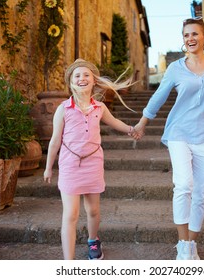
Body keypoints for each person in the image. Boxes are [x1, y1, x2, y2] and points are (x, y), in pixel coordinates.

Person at [134, 17, 204, 260]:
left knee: (202, 191)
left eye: (194, 34)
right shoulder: (175, 68)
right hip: (179, 132)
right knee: (183, 186)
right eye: (186, 35)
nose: (190, 38)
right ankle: (182, 244)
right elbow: (158, 97)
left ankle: (192, 244)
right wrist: (142, 122)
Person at [44, 58, 140, 260]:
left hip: (93, 163)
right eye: (77, 75)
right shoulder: (63, 109)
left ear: (94, 80)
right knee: (70, 214)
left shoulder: (100, 108)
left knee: (93, 210)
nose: (82, 78)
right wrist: (48, 168)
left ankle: (93, 240)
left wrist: (131, 129)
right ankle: (68, 263)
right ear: (71, 82)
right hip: (70, 165)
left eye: (86, 74)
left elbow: (115, 123)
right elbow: (54, 141)